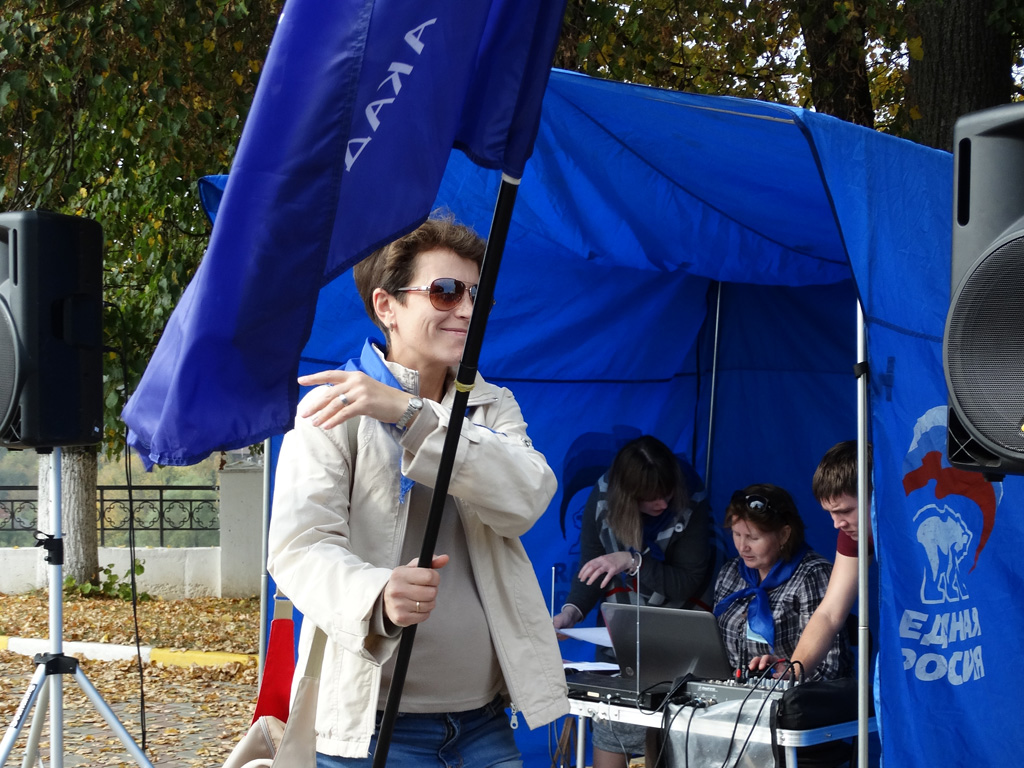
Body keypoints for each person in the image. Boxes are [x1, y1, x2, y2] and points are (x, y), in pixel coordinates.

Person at [267, 213, 568, 767]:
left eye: (477, 295)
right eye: (446, 291)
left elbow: (527, 498)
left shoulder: (492, 404)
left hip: (483, 724)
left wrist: (409, 413)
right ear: (386, 306)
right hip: (373, 729)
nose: (467, 309)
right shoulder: (329, 409)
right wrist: (378, 594)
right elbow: (299, 549)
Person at [552, 434, 713, 768]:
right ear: (627, 495)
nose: (663, 504)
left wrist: (632, 561)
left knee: (670, 746)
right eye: (651, 497)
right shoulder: (603, 497)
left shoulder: (692, 498)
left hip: (679, 651)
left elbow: (685, 583)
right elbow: (592, 568)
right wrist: (571, 612)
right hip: (622, 653)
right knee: (613, 731)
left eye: (667, 493)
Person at [750, 440, 872, 678]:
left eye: (845, 511)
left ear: (878, 493)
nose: (837, 524)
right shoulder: (853, 534)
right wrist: (794, 671)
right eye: (831, 513)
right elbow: (829, 612)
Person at [714, 484, 853, 681]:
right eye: (737, 535)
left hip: (795, 693)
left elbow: (829, 667)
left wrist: (788, 674)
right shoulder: (731, 571)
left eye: (753, 538)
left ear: (784, 535)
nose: (742, 547)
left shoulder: (812, 575)